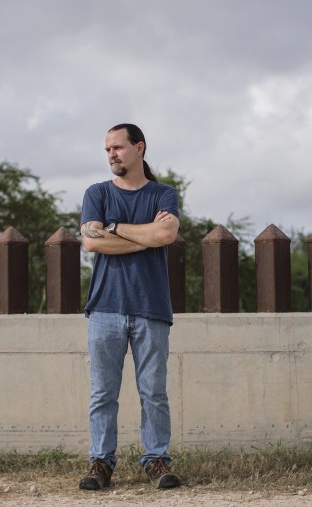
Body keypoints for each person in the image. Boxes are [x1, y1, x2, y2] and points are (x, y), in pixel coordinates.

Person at [78, 123, 181, 490]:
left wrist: (117, 227)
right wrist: (146, 237)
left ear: (140, 148)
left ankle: (156, 460)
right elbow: (91, 242)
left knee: (154, 392)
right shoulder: (97, 192)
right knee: (103, 392)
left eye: (118, 148)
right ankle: (101, 463)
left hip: (151, 307)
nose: (111, 155)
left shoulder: (163, 193)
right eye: (107, 150)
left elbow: (167, 234)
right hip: (105, 306)